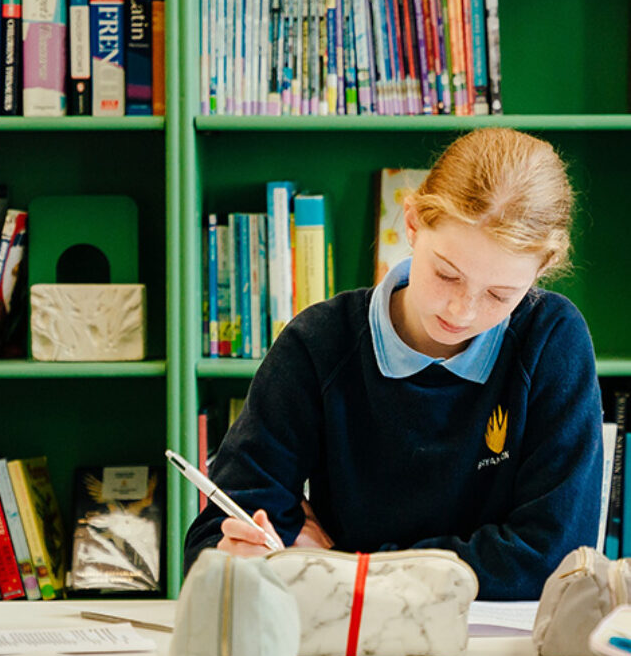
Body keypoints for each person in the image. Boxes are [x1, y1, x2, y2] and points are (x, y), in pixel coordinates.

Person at [184, 128, 603, 600]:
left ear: (541, 269)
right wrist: (237, 560)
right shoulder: (319, 344)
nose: (461, 311)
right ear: (412, 223)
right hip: (347, 645)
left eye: (499, 295)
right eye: (446, 274)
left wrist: (349, 568)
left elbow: (556, 558)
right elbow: (212, 542)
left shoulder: (552, 340)